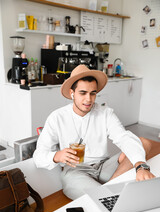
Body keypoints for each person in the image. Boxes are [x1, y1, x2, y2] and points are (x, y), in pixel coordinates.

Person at [33, 65, 155, 200]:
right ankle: (109, 193)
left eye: (93, 93)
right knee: (101, 197)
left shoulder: (105, 113)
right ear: (72, 92)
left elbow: (124, 138)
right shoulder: (57, 117)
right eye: (82, 93)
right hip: (75, 171)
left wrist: (140, 165)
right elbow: (38, 156)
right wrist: (57, 156)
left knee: (144, 143)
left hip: (104, 167)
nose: (88, 99)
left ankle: (108, 189)